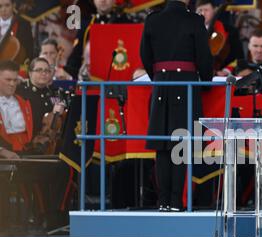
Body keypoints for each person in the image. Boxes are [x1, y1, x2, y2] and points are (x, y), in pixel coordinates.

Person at [140, 0, 213, 211]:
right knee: (181, 144)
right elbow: (204, 57)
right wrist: (206, 83)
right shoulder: (194, 20)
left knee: (163, 146)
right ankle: (175, 201)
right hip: (186, 85)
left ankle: (163, 200)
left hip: (162, 85)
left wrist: (158, 77)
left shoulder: (152, 20)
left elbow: (145, 54)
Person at [57, 0, 131, 80]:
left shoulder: (126, 23)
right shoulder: (87, 26)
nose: (103, 1)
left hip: (119, 78)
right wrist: (67, 71)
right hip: (92, 80)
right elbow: (76, 56)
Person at [16, 57, 65, 138]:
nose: (44, 73)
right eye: (39, 70)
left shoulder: (54, 93)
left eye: (46, 70)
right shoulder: (21, 92)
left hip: (49, 141)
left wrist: (60, 113)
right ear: (30, 73)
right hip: (27, 139)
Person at [0, 0, 33, 64]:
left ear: (13, 5)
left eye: (7, 5)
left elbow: (29, 50)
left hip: (14, 66)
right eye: (0, 6)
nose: (3, 9)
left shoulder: (23, 24)